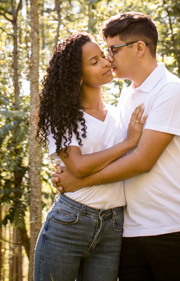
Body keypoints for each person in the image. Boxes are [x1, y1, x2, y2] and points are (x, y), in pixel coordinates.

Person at [53, 12, 180, 281]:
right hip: (130, 233)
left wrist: (80, 181)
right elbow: (117, 150)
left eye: (113, 50)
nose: (108, 58)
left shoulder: (171, 91)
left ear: (139, 48)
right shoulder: (126, 96)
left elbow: (142, 161)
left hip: (174, 230)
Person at [34, 31, 149, 281]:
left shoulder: (121, 113)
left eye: (103, 56)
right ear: (77, 76)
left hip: (114, 226)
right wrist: (128, 142)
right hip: (69, 223)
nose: (106, 63)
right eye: (94, 62)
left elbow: (140, 158)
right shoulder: (64, 117)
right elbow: (78, 166)